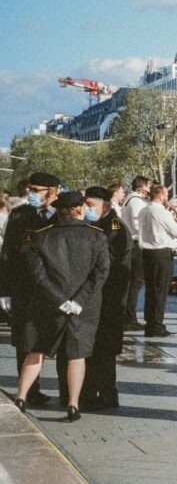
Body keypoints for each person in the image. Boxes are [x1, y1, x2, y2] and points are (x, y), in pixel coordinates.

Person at [13, 191, 109, 422]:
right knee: (76, 355)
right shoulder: (96, 236)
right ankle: (73, 404)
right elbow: (101, 273)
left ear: (59, 211)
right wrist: (77, 301)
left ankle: (21, 397)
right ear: (79, 209)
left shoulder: (40, 236)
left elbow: (38, 275)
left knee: (37, 351)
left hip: (47, 304)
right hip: (83, 307)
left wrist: (59, 300)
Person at [0, 172, 62, 406]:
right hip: (24, 288)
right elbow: (7, 255)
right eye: (30, 189)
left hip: (56, 288)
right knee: (25, 341)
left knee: (60, 341)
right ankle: (30, 390)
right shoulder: (19, 215)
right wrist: (4, 290)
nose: (31, 194)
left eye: (37, 190)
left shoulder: (64, 214)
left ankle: (67, 391)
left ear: (53, 191)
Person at [81, 186, 131, 410]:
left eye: (91, 205)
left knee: (105, 348)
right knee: (92, 346)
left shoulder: (115, 227)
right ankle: (89, 392)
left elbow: (110, 260)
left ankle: (108, 394)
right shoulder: (94, 224)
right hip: (96, 296)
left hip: (110, 296)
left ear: (107, 206)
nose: (86, 209)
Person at [137, 185, 177, 337]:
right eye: (166, 194)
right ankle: (157, 325)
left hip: (147, 253)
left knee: (151, 290)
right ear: (161, 195)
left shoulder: (144, 210)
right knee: (160, 290)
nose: (167, 197)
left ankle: (150, 323)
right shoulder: (161, 212)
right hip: (161, 253)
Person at [120, 176, 151, 331]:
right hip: (136, 242)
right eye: (148, 186)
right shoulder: (136, 201)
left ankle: (128, 315)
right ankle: (130, 317)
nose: (149, 190)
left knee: (132, 282)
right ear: (142, 187)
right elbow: (138, 223)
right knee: (136, 282)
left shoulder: (128, 199)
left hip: (131, 242)